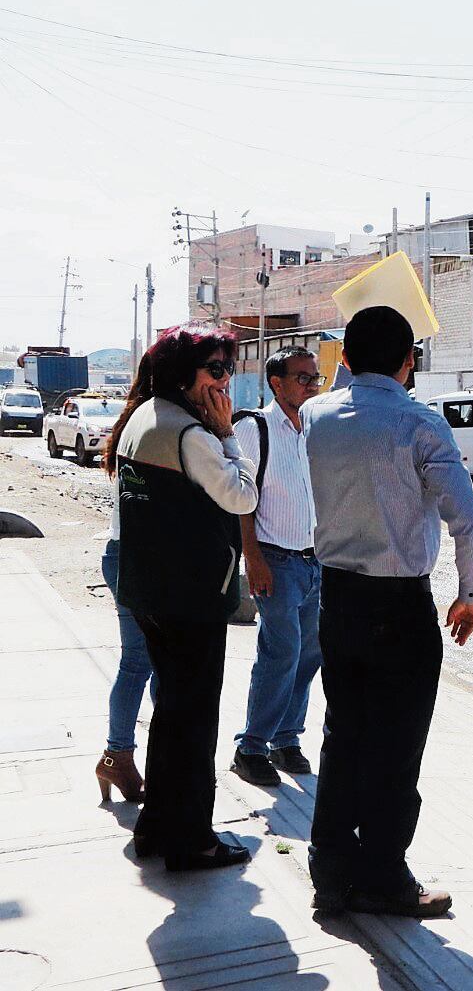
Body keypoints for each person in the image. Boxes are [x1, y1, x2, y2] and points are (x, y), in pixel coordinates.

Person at [301, 305, 473, 919]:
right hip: (400, 604)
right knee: (396, 746)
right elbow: (468, 519)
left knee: (343, 736)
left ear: (346, 360)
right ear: (410, 362)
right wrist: (471, 592)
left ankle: (330, 875)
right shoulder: (421, 425)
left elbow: (339, 396)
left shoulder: (314, 416)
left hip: (337, 597)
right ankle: (383, 875)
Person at [106, 323, 258, 871]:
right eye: (215, 370)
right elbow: (241, 497)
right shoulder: (193, 435)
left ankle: (156, 826)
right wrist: (229, 436)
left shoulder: (141, 419)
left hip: (149, 591)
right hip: (191, 597)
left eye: (228, 369)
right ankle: (192, 839)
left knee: (171, 714)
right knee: (193, 722)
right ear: (183, 374)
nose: (225, 381)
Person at [230, 347, 325, 787]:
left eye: (315, 378)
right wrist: (254, 558)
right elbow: (240, 501)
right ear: (277, 383)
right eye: (303, 378)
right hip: (276, 560)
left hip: (315, 561)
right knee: (280, 652)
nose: (311, 385)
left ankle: (286, 739)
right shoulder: (256, 428)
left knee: (308, 654)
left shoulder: (312, 428)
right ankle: (250, 747)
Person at [94, 352, 157, 804]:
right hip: (136, 558)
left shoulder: (135, 419)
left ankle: (136, 756)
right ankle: (117, 756)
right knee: (138, 663)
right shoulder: (153, 425)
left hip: (130, 556)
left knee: (151, 664)